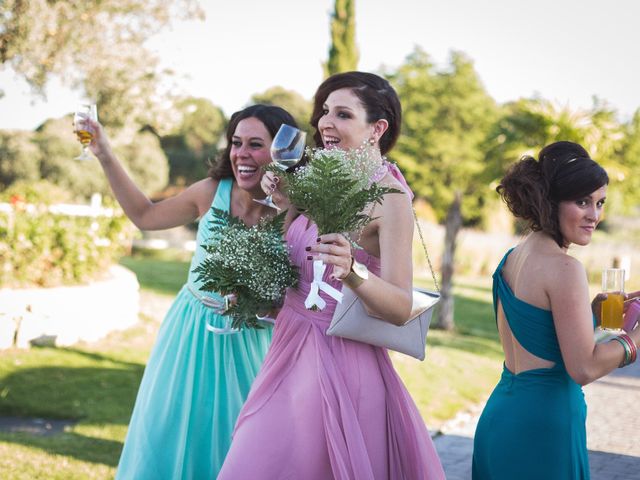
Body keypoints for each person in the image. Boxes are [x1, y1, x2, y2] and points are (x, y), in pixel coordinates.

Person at [218, 72, 445, 479]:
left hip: (341, 364)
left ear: (377, 128)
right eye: (324, 111)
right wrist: (282, 211)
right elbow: (299, 272)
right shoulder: (318, 177)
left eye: (342, 114)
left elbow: (401, 307)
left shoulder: (390, 199)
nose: (325, 123)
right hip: (288, 349)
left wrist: (354, 271)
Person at [84, 104, 299, 478]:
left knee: (244, 442)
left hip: (254, 344)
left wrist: (264, 301)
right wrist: (104, 152)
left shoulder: (293, 212)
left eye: (255, 144)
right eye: (236, 143)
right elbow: (146, 216)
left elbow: (300, 289)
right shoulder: (213, 191)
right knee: (169, 432)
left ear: (282, 152)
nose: (241, 154)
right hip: (190, 334)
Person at [472, 141, 640, 479]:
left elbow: (542, 334)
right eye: (582, 202)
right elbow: (584, 367)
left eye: (600, 203)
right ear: (550, 201)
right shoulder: (565, 268)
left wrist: (592, 310)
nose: (594, 215)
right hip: (545, 425)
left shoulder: (512, 258)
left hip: (501, 416)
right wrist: (634, 341)